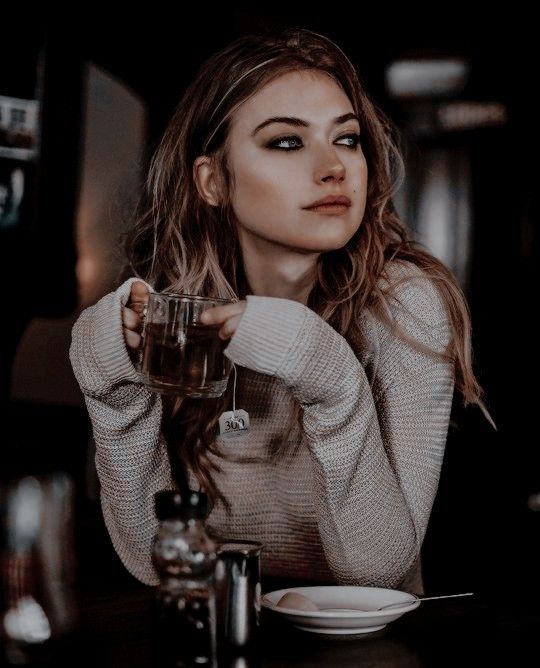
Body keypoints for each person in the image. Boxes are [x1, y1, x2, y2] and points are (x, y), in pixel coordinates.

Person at [69, 27, 494, 594]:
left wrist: (326, 371)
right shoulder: (177, 324)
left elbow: (376, 570)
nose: (334, 168)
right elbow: (156, 562)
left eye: (347, 139)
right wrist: (113, 394)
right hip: (221, 643)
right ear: (213, 180)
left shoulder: (404, 306)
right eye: (287, 143)